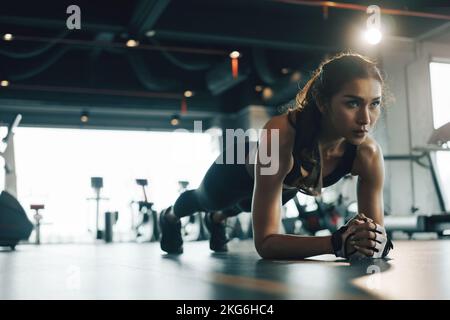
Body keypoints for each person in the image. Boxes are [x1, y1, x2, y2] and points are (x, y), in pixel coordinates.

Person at [159, 52, 393, 260]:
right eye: (352, 103)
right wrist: (335, 243)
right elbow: (266, 243)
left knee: (244, 206)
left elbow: (375, 234)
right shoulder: (280, 135)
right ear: (322, 102)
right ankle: (169, 216)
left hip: (283, 186)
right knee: (205, 201)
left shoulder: (367, 153)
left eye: (374, 104)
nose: (366, 118)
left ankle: (217, 219)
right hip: (235, 169)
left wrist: (372, 240)